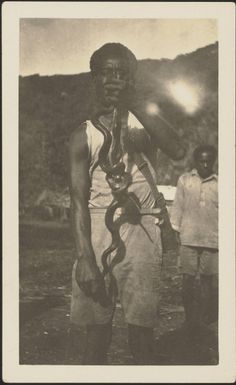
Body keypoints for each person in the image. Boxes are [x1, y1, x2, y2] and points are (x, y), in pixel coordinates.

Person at [69, 42, 185, 364]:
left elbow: (177, 150)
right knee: (95, 336)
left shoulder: (144, 123)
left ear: (132, 81)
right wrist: (85, 259)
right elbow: (77, 200)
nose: (113, 80)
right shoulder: (83, 134)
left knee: (142, 334)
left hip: (143, 228)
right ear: (94, 79)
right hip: (96, 229)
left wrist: (135, 104)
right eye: (106, 73)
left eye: (122, 74)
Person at [170, 145, 218, 339]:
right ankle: (190, 321)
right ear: (195, 162)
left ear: (213, 161)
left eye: (209, 161)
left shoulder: (220, 182)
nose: (205, 165)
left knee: (208, 282)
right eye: (201, 161)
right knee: (188, 281)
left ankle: (205, 321)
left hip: (212, 239)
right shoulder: (185, 180)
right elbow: (178, 207)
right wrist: (176, 230)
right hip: (188, 238)